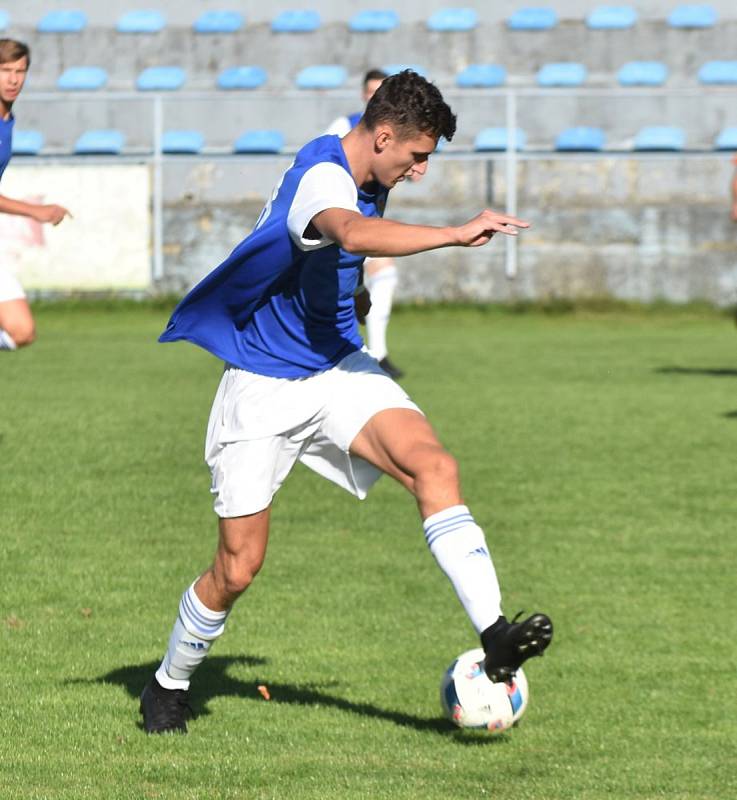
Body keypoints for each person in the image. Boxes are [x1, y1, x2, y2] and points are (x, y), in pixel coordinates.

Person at [140, 70, 553, 734]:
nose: (419, 171)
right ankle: (168, 682)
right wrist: (453, 232)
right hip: (263, 384)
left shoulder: (369, 168)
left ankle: (495, 634)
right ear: (383, 136)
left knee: (434, 467)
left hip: (336, 369)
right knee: (238, 567)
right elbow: (351, 235)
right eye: (416, 157)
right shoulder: (323, 177)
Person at [326, 68, 404, 379]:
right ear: (363, 94)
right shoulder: (343, 127)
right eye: (370, 92)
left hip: (367, 219)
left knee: (384, 277)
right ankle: (357, 352)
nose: (374, 97)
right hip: (339, 220)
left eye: (380, 92)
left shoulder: (395, 133)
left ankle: (378, 352)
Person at [0, 39, 70, 351]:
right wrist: (35, 211)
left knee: (21, 331)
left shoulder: (6, 120)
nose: (14, 79)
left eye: (20, 71)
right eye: (5, 71)